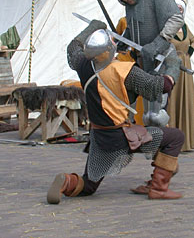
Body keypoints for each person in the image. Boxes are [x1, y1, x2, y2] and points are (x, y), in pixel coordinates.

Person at [46, 20, 185, 204]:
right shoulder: (123, 71)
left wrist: (93, 26)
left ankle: (67, 181)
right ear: (109, 50)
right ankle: (158, 188)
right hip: (121, 137)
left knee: (88, 187)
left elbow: (73, 47)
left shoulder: (84, 66)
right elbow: (160, 86)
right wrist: (173, 65)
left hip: (99, 137)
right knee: (175, 137)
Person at [110, 0, 184, 74]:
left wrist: (157, 44)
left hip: (162, 58)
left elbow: (176, 19)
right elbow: (134, 27)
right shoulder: (130, 5)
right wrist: (124, 40)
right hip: (141, 60)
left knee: (159, 89)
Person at [167, 0, 194, 152]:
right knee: (173, 100)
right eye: (176, 7)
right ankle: (171, 139)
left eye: (181, 8)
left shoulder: (185, 27)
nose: (179, 10)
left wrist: (188, 53)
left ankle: (186, 140)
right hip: (172, 65)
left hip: (185, 66)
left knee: (184, 99)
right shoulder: (168, 25)